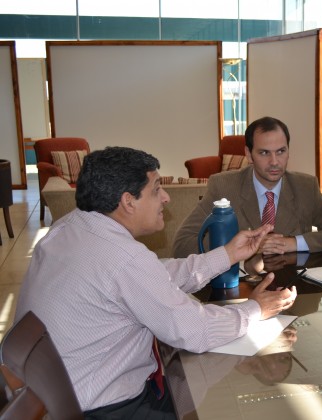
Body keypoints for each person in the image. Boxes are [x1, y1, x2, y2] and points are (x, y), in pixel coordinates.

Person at [15, 147, 297, 417]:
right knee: (230, 402)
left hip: (62, 394)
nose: (166, 198)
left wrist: (228, 254)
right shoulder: (123, 258)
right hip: (107, 410)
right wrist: (255, 309)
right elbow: (194, 331)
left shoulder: (70, 227)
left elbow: (152, 276)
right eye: (156, 189)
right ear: (128, 201)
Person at [173, 116, 322, 257]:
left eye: (281, 151)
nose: (274, 162)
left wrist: (294, 243)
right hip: (241, 292)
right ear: (249, 154)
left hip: (294, 291)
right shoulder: (223, 186)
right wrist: (236, 248)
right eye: (264, 153)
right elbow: (182, 244)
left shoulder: (305, 187)